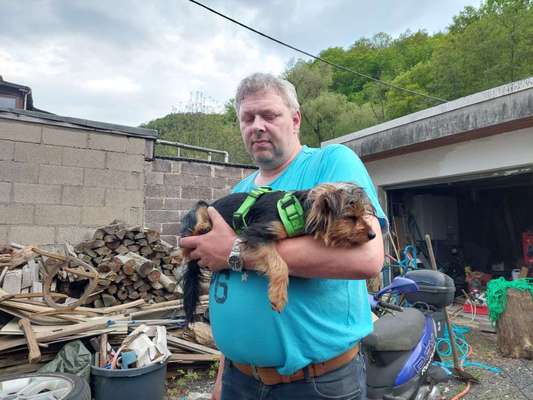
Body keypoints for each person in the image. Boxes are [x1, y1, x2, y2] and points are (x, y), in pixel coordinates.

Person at [179, 73, 387, 400]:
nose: (257, 126)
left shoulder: (331, 162)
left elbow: (368, 257)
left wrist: (235, 252)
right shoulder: (240, 191)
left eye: (269, 115)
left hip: (313, 384)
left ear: (295, 120)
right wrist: (224, 375)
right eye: (247, 118)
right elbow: (237, 289)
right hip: (239, 378)